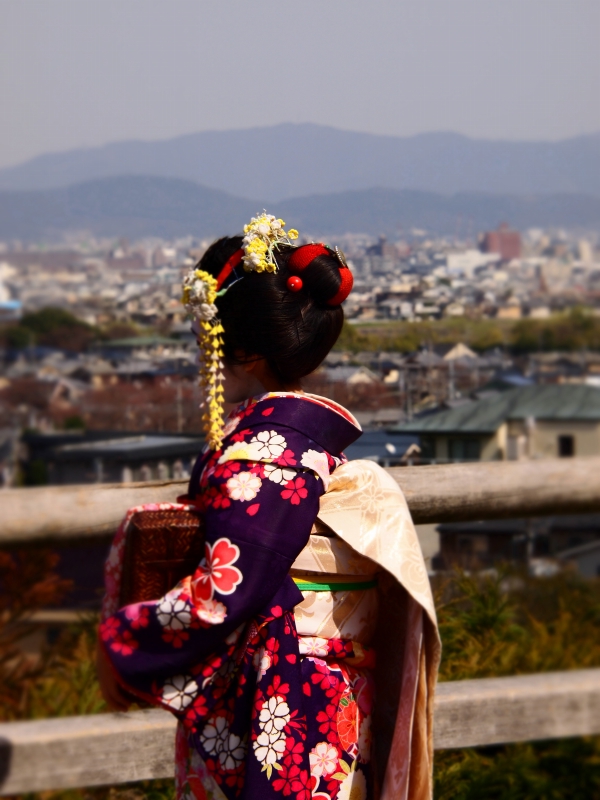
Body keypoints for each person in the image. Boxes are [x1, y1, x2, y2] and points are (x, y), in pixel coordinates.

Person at [98, 215, 440, 800]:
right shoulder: (293, 445)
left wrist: (126, 641)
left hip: (281, 704)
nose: (202, 346)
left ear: (248, 350)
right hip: (317, 693)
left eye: (208, 334)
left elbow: (229, 587)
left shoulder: (263, 455)